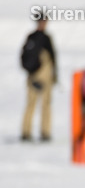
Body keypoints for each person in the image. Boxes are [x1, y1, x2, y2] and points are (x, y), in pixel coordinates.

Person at [20, 13, 57, 142]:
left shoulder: (45, 38)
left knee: (45, 104)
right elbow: (26, 58)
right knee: (32, 104)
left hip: (44, 76)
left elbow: (53, 59)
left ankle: (44, 132)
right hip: (35, 76)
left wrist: (54, 76)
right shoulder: (35, 38)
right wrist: (33, 73)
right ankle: (26, 132)